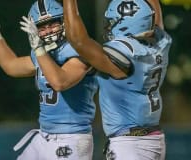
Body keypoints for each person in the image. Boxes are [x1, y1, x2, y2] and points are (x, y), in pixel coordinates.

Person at [0, 0, 98, 160]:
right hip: (44, 136)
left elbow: (60, 82)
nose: (48, 31)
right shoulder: (41, 54)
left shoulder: (78, 51)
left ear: (63, 22)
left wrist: (39, 49)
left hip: (71, 138)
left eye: (52, 24)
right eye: (42, 27)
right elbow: (11, 66)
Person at [63, 0, 172, 159]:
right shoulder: (160, 43)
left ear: (124, 23)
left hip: (130, 144)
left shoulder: (124, 55)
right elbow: (154, 16)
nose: (108, 26)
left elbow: (78, 40)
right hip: (154, 138)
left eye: (112, 22)